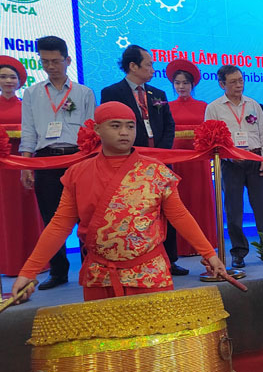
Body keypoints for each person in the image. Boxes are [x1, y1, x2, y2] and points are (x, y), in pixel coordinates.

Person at [11, 102, 226, 303]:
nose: (124, 132)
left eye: (130, 126)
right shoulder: (78, 173)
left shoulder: (156, 171)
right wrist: (29, 271)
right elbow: (59, 225)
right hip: (100, 276)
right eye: (115, 126)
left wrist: (209, 254)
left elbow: (179, 216)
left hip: (149, 274)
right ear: (97, 129)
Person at [101, 45, 186, 275]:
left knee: (167, 209)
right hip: (129, 162)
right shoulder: (112, 92)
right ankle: (137, 257)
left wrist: (161, 153)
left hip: (159, 161)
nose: (152, 69)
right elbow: (111, 128)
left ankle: (170, 259)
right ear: (133, 66)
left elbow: (169, 125)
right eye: (148, 64)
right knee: (135, 210)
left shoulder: (158, 94)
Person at [19, 36, 96, 290]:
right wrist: (26, 165)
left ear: (68, 60)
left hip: (77, 158)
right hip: (46, 160)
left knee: (86, 216)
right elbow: (28, 131)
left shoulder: (84, 93)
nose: (50, 66)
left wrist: (91, 163)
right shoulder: (32, 93)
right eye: (45, 61)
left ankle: (91, 266)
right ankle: (58, 271)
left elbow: (91, 130)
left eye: (55, 61)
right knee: (51, 217)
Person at [204, 64, 263, 269]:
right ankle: (238, 252)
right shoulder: (214, 108)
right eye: (233, 82)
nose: (238, 85)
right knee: (234, 210)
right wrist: (228, 156)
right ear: (222, 84)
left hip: (255, 159)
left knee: (262, 209)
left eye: (241, 80)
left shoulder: (253, 104)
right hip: (230, 163)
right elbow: (211, 138)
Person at [167, 59, 217, 257]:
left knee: (200, 199)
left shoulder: (204, 106)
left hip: (199, 161)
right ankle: (180, 247)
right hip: (176, 161)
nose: (181, 87)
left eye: (185, 83)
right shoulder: (166, 106)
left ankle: (203, 244)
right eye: (177, 83)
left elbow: (209, 130)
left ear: (192, 84)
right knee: (178, 202)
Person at [0, 56, 44, 277]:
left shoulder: (27, 106)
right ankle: (9, 263)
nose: (8, 81)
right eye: (3, 77)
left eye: (12, 77)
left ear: (19, 81)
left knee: (30, 209)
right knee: (6, 212)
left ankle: (36, 262)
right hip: (3, 168)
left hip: (25, 161)